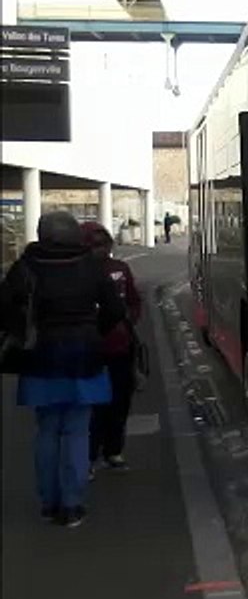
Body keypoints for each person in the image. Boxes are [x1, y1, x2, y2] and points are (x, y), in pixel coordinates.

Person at [0, 211, 124, 528]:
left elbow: (5, 308)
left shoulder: (25, 267)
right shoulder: (90, 267)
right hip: (84, 355)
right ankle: (72, 504)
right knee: (77, 430)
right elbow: (114, 310)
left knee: (47, 429)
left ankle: (48, 502)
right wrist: (95, 332)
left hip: (39, 355)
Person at [81, 221, 142, 477]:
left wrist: (127, 324)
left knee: (120, 402)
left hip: (120, 346)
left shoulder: (120, 269)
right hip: (90, 350)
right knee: (94, 406)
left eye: (104, 244)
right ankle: (89, 456)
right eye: (95, 245)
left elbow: (134, 301)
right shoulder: (78, 273)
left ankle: (113, 451)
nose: (101, 249)